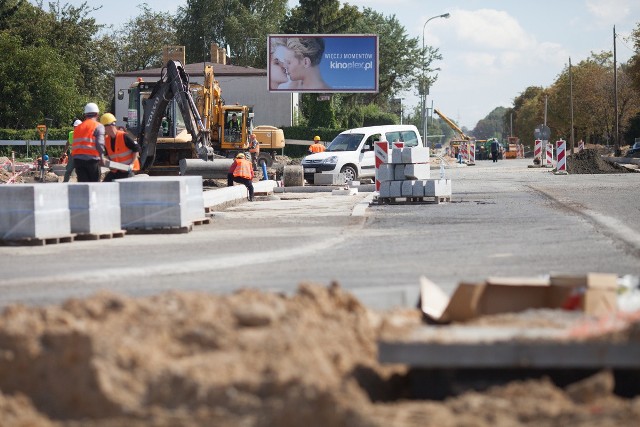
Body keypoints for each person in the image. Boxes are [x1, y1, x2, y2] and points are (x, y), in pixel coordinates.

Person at [100, 113, 140, 182]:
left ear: (110, 125)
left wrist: (132, 164)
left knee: (125, 186)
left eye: (104, 127)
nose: (103, 129)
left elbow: (136, 148)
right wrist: (108, 163)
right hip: (116, 170)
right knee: (105, 184)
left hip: (129, 170)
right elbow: (107, 155)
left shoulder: (124, 136)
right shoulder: (106, 140)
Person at [72, 102, 105, 182]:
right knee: (94, 186)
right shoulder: (98, 126)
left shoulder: (78, 128)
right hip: (92, 160)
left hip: (78, 161)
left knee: (83, 186)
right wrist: (102, 157)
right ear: (97, 114)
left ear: (85, 115)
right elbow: (100, 144)